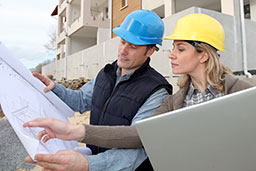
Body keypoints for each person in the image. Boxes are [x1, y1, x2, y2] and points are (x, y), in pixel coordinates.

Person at [25, 13, 254, 169]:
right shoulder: (174, 103)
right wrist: (74, 131)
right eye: (173, 48)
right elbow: (139, 135)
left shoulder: (241, 92)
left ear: (203, 54)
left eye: (180, 49)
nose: (171, 54)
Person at [24, 9, 173, 171]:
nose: (123, 50)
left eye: (133, 46)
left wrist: (87, 164)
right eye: (122, 42)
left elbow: (137, 149)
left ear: (150, 51)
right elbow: (81, 100)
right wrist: (56, 89)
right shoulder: (106, 73)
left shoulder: (157, 91)